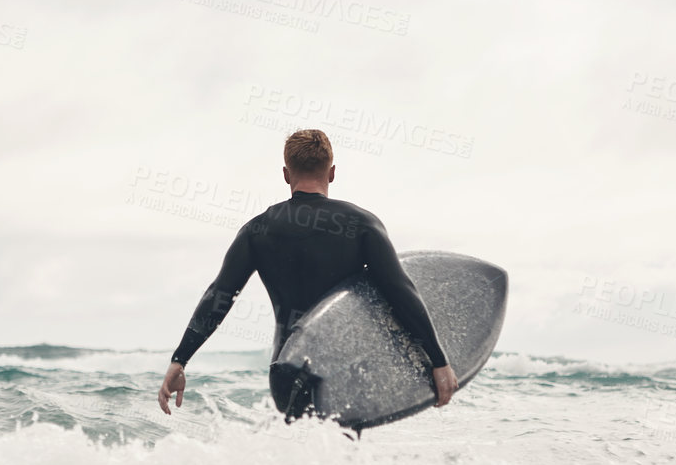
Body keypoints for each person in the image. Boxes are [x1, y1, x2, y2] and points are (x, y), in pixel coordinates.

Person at [157, 129, 456, 416]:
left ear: (286, 174)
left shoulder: (256, 230)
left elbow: (219, 296)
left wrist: (180, 360)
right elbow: (399, 292)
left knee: (301, 455)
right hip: (343, 372)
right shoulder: (361, 224)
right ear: (332, 172)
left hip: (285, 371)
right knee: (341, 453)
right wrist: (438, 361)